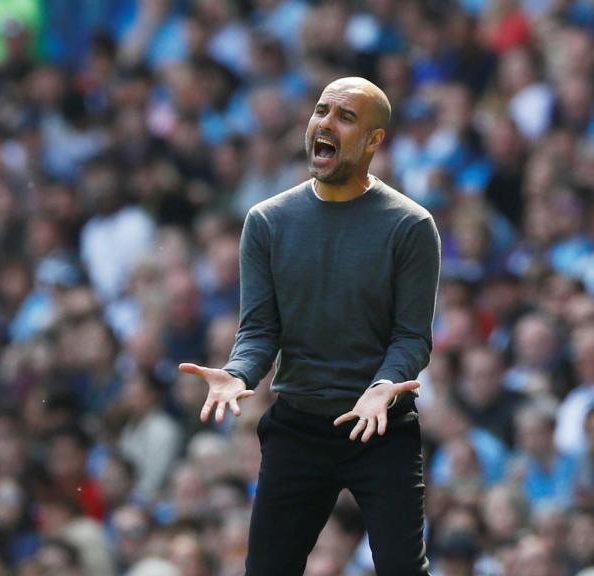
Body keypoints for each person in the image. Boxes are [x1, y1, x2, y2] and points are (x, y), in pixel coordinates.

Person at [180, 77, 440, 575]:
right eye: (321, 110)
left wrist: (382, 386)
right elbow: (259, 331)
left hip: (380, 428)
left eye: (345, 117)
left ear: (373, 140)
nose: (325, 123)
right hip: (298, 427)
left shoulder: (410, 226)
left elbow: (411, 337)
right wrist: (240, 373)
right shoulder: (267, 221)